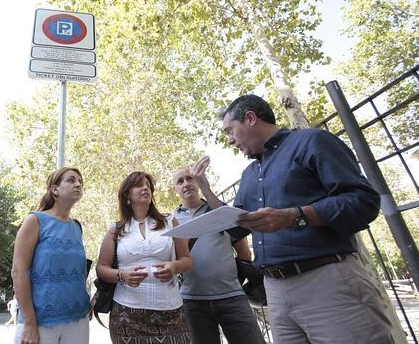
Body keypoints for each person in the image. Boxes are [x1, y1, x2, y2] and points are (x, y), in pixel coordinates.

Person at [219, 94, 393, 343]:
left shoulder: (311, 141)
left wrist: (296, 216)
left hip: (327, 282)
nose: (230, 140)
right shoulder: (249, 174)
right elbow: (236, 225)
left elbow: (363, 201)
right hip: (275, 292)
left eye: (230, 130)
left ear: (250, 118)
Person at [173, 163, 265, 344]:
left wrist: (230, 282)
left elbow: (244, 254)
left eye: (190, 178)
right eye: (180, 181)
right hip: (192, 302)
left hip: (232, 297)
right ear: (175, 189)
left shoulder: (220, 212)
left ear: (197, 182)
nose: (186, 184)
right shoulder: (171, 221)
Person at [96, 171, 192, 344]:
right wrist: (122, 275)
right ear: (127, 195)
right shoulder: (116, 229)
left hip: (171, 313)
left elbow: (187, 259)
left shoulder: (170, 221)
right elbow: (101, 268)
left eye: (148, 185)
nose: (145, 188)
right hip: (126, 315)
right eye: (139, 185)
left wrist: (175, 266)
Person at [11, 167, 90, 344]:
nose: (78, 184)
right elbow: (18, 272)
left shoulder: (76, 227)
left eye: (80, 182)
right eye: (71, 180)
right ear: (55, 190)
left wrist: (85, 302)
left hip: (78, 319)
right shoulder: (35, 220)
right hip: (40, 322)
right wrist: (30, 322)